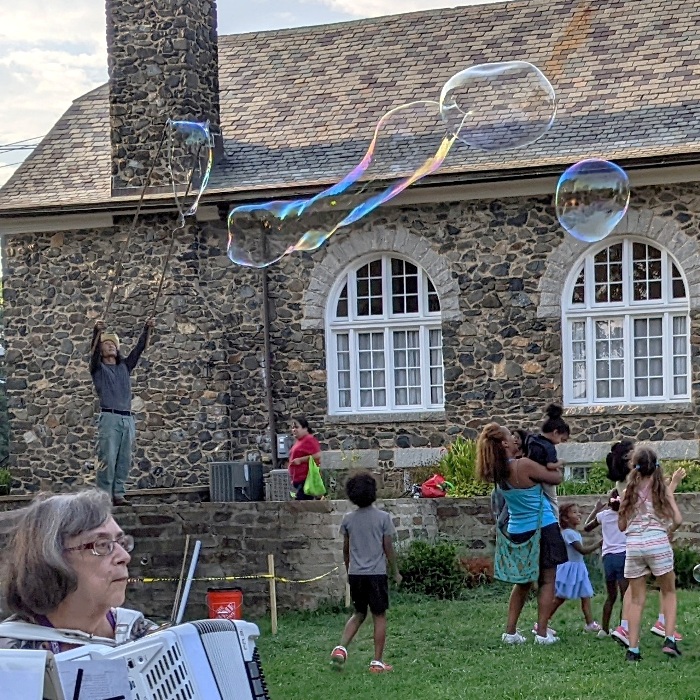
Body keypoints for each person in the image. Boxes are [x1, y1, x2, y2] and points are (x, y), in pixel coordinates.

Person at [0, 489, 154, 651]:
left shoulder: (142, 635)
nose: (124, 557)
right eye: (101, 545)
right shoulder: (10, 654)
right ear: (51, 559)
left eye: (121, 542)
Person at [476, 422, 566, 645]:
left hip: (517, 530)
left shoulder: (497, 471)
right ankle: (543, 633)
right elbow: (556, 479)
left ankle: (510, 632)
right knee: (547, 581)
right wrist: (554, 463)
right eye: (510, 436)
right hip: (542, 527)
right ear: (504, 442)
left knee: (523, 582)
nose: (515, 439)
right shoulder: (523, 465)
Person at [605, 440, 685, 647]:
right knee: (668, 592)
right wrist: (667, 532)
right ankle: (668, 640)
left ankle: (633, 648)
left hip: (634, 547)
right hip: (657, 543)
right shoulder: (662, 491)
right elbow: (677, 520)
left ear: (634, 465)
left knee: (636, 599)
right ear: (656, 466)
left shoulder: (626, 493)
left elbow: (622, 526)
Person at [330, 471, 401, 673]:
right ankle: (377, 662)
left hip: (356, 574)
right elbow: (388, 548)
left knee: (359, 613)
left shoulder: (348, 519)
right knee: (379, 615)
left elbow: (346, 549)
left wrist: (348, 569)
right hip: (376, 574)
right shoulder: (383, 518)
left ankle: (341, 647)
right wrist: (395, 571)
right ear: (373, 493)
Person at [90, 318, 155, 506]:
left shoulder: (124, 367)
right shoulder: (98, 369)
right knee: (107, 459)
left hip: (127, 419)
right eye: (106, 344)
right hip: (109, 417)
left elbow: (138, 350)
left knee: (124, 459)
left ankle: (118, 493)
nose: (110, 346)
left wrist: (146, 329)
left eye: (113, 344)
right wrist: (96, 333)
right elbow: (92, 353)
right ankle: (104, 496)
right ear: (101, 350)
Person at [548, 503, 602, 632]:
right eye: (574, 512)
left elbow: (584, 528)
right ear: (566, 518)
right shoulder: (568, 534)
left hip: (579, 568)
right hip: (569, 570)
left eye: (579, 512)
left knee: (585, 595)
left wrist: (596, 510)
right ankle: (543, 622)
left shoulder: (574, 531)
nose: (578, 514)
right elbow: (582, 550)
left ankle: (590, 624)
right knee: (559, 598)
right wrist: (599, 543)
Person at [584, 489, 628, 637]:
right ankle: (624, 629)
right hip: (623, 556)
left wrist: (596, 509)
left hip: (608, 558)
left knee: (611, 595)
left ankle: (604, 629)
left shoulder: (602, 516)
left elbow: (586, 527)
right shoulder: (627, 515)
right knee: (625, 596)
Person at [525, 404, 570, 514]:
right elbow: (550, 465)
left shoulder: (533, 439)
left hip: (531, 475)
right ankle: (555, 518)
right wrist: (560, 462)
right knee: (552, 500)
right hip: (545, 477)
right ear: (555, 432)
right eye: (561, 438)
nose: (560, 442)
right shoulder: (549, 447)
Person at [288, 415, 322, 501]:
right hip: (298, 480)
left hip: (306, 480)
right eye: (292, 428)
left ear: (305, 428)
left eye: (296, 427)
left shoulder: (309, 439)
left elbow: (318, 455)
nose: (294, 430)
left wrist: (300, 460)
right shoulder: (299, 441)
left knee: (300, 505)